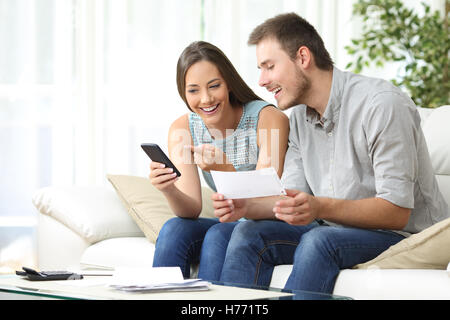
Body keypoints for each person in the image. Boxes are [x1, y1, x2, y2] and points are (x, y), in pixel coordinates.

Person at [210, 13, 449, 293]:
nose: (261, 80)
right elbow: (292, 197)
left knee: (319, 241)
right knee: (248, 232)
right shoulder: (298, 118)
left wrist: (319, 207)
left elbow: (395, 211)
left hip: (405, 236)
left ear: (302, 57)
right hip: (334, 230)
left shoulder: (381, 104)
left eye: (269, 67)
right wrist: (247, 208)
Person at [150, 41, 289, 280]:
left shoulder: (268, 118)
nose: (205, 99)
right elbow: (191, 208)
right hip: (232, 222)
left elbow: (264, 199)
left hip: (269, 221)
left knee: (219, 233)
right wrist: (169, 189)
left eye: (214, 86)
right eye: (193, 90)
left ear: (228, 84)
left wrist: (223, 167)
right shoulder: (183, 129)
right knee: (174, 229)